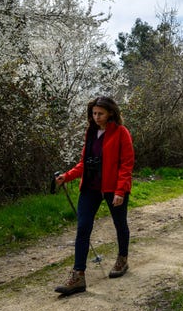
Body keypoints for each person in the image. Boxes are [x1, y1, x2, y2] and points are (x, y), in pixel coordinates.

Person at [54, 96, 135, 296]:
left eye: (100, 113)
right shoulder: (90, 133)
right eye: (94, 113)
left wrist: (120, 191)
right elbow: (84, 163)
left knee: (119, 224)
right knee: (82, 228)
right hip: (90, 187)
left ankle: (122, 259)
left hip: (112, 188)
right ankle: (78, 276)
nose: (96, 117)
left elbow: (127, 164)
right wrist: (67, 176)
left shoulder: (121, 133)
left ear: (110, 113)